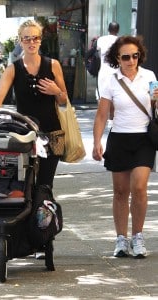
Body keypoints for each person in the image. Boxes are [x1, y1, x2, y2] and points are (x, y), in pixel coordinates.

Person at [92, 35, 158, 258]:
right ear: (117, 59)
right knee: (121, 191)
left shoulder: (149, 76)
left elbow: (156, 109)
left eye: (135, 56)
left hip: (144, 140)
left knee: (139, 187)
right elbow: (102, 115)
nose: (131, 61)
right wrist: (97, 142)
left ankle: (138, 237)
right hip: (119, 139)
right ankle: (121, 239)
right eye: (126, 57)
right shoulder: (111, 80)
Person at [0, 19, 67, 187]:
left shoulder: (53, 65)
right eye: (27, 38)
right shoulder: (13, 69)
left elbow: (63, 100)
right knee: (23, 185)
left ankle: (45, 213)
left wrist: (56, 91)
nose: (32, 42)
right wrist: (1, 117)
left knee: (45, 185)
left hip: (51, 134)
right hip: (24, 134)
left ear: (41, 40)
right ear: (20, 41)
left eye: (35, 38)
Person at [97, 22, 120, 120]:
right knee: (116, 95)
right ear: (118, 30)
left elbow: (98, 53)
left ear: (108, 29)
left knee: (103, 94)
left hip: (103, 71)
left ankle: (103, 116)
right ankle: (112, 116)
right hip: (117, 71)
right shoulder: (120, 40)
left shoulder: (101, 39)